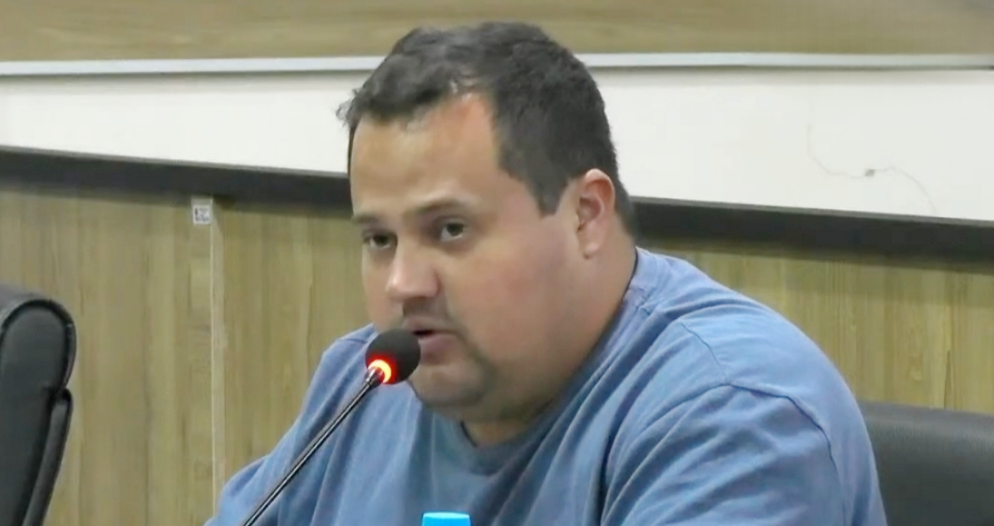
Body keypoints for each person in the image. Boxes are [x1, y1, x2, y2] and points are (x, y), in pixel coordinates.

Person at [205, 22, 888, 525]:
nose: (403, 283)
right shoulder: (360, 386)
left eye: (450, 230)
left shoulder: (735, 412)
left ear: (586, 216)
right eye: (379, 239)